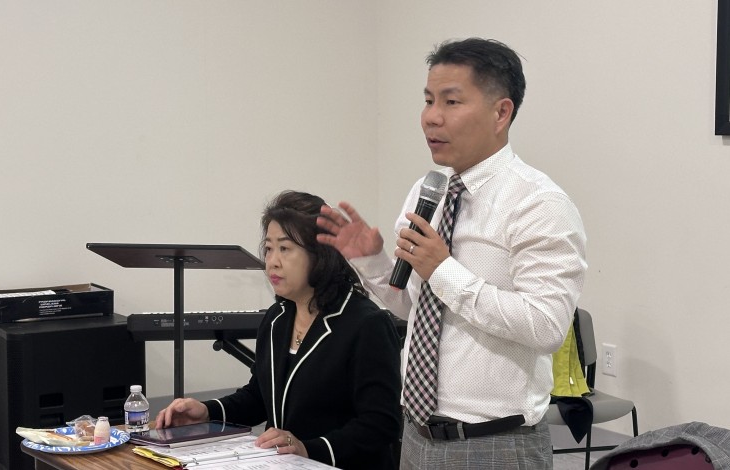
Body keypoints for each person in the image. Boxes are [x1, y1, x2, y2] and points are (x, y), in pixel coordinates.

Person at [316, 38, 587, 469]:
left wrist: (443, 270)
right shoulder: (429, 191)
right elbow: (414, 309)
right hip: (416, 437)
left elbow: (546, 326)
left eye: (451, 101)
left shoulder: (539, 203)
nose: (431, 117)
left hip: (496, 444)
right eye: (428, 100)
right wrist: (372, 262)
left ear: (501, 112)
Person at [156, 190, 403, 470]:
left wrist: (308, 449)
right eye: (269, 249)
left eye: (284, 249)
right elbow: (259, 397)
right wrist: (207, 411)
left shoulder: (366, 323)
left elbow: (381, 425)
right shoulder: (277, 318)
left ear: (320, 254)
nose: (272, 261)